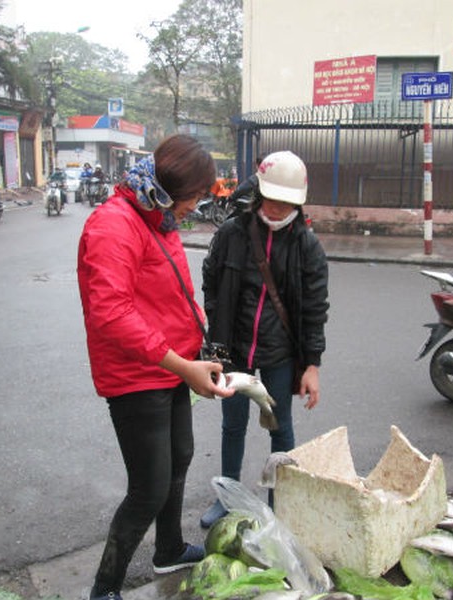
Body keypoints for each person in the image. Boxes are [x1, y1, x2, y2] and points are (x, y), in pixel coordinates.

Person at [77, 134, 234, 600]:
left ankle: (167, 548)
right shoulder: (114, 225)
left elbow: (170, 297)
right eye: (196, 196)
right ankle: (105, 587)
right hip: (135, 375)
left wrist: (196, 356)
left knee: (180, 458)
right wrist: (182, 365)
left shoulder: (158, 217)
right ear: (170, 187)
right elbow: (111, 313)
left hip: (171, 366)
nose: (198, 205)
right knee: (148, 487)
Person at [200, 150, 329, 528]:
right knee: (232, 424)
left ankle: (278, 503)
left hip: (280, 352)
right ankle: (227, 498)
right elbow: (210, 280)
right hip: (235, 349)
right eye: (271, 198)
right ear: (258, 193)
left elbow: (316, 308)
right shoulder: (231, 233)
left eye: (285, 202)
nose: (276, 208)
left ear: (298, 202)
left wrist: (312, 365)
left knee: (280, 426)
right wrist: (218, 328)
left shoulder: (307, 246)